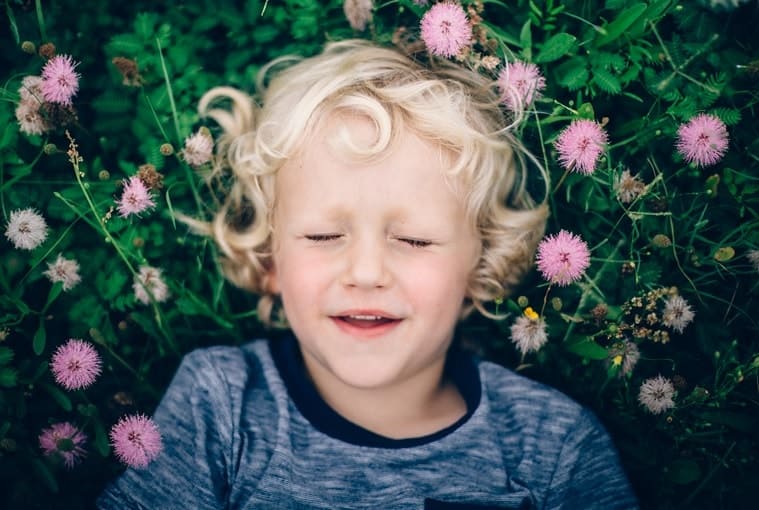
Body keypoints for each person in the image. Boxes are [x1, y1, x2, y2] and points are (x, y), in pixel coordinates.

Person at [98, 39, 638, 509]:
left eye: (415, 240)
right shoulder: (220, 405)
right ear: (268, 260)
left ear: (480, 266)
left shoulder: (551, 446)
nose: (365, 271)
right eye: (323, 236)